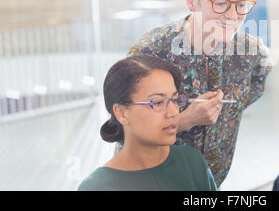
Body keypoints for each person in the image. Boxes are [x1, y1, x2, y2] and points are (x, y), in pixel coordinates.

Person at [127, 0, 272, 186]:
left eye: (242, 4)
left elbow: (256, 82)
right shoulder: (148, 54)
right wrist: (185, 121)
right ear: (191, 0)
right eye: (222, 3)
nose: (233, 15)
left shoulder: (251, 53)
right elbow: (126, 134)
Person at [78, 55, 217, 191]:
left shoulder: (192, 162)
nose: (174, 112)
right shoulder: (96, 187)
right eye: (157, 102)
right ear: (121, 113)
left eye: (174, 100)